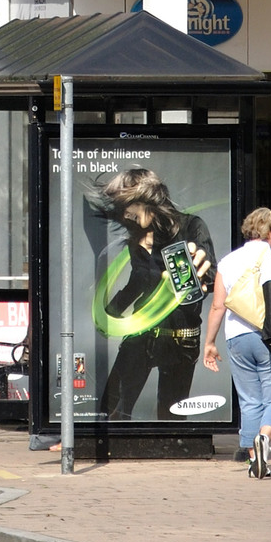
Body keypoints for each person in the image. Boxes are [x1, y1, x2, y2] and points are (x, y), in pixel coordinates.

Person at [92, 168, 215, 421]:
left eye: (128, 206)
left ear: (147, 198)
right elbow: (136, 283)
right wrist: (109, 315)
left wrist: (201, 271)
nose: (125, 214)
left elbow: (210, 273)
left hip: (181, 338)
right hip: (141, 333)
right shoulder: (135, 239)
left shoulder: (191, 226)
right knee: (111, 409)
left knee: (170, 415)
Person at [201, 206, 271, 478]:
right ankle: (264, 438)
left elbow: (217, 306)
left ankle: (254, 461)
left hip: (236, 338)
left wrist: (210, 343)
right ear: (269, 232)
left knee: (249, 400)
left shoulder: (227, 261)